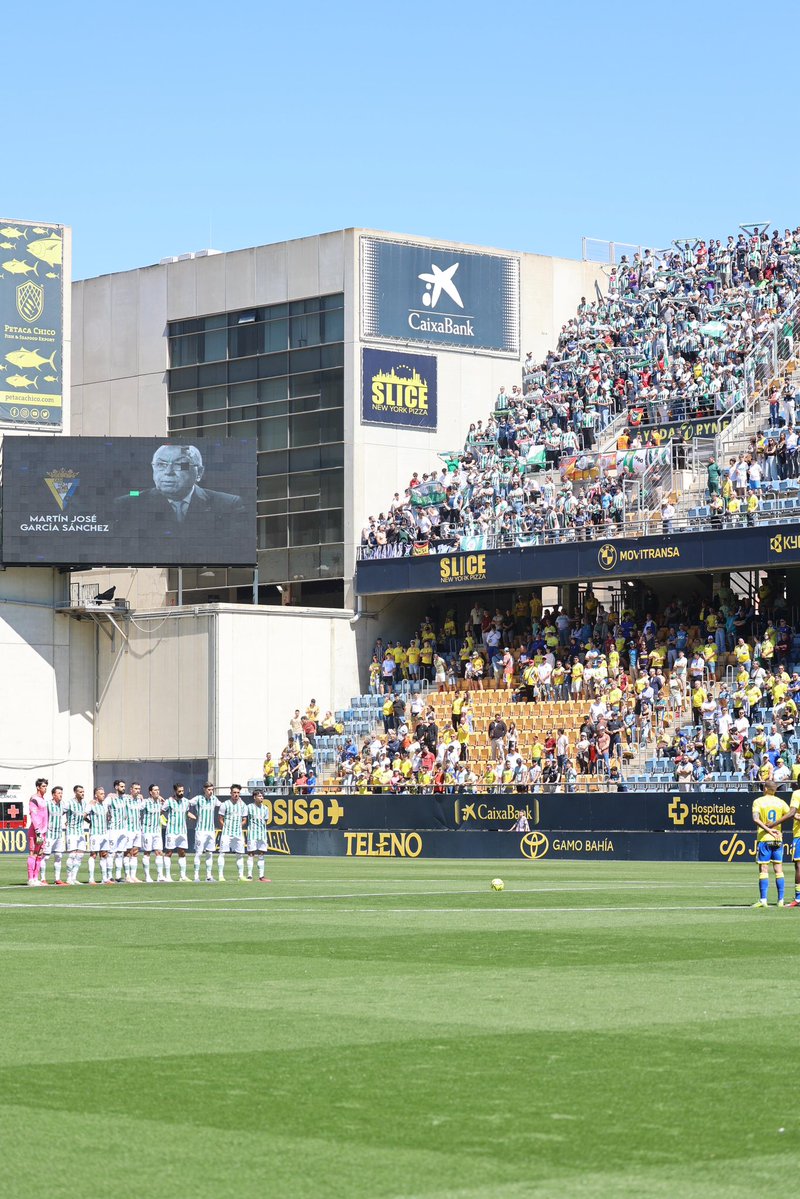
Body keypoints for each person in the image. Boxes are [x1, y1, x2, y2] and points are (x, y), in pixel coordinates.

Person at [114, 443, 245, 533]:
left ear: (199, 472)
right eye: (161, 464)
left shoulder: (228, 504)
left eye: (180, 465)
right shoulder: (128, 504)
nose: (168, 472)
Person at [751, 783, 790, 908]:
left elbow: (756, 819)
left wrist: (768, 829)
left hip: (764, 839)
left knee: (764, 869)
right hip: (778, 839)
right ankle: (781, 900)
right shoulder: (781, 802)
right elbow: (790, 815)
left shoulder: (758, 801)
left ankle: (763, 900)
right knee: (779, 870)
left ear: (766, 789)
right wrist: (776, 827)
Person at [217, 785, 248, 882]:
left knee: (240, 854)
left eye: (238, 793)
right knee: (222, 853)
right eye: (234, 792)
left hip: (238, 833)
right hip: (227, 833)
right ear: (230, 793)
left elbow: (244, 820)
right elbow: (220, 818)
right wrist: (225, 827)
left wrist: (239, 826)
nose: (236, 794)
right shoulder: (225, 804)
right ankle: (221, 875)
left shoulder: (243, 805)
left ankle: (241, 875)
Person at [190, 782, 219, 883]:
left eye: (212, 790)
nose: (211, 792)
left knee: (209, 853)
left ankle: (209, 876)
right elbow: (186, 803)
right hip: (200, 830)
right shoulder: (198, 798)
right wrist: (190, 815)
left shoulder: (214, 799)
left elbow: (224, 806)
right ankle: (196, 876)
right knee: (198, 853)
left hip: (210, 830)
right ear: (204, 790)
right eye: (209, 790)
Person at [162, 783, 191, 881]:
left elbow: (186, 813)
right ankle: (167, 876)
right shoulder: (169, 801)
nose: (181, 793)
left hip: (182, 831)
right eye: (179, 791)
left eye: (182, 791)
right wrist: (162, 821)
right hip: (171, 831)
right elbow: (161, 812)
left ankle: (183, 876)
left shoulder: (186, 802)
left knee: (182, 852)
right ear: (175, 791)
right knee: (169, 852)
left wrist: (191, 817)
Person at [63, 784, 87, 886]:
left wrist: (89, 821)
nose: (82, 793)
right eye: (80, 792)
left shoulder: (84, 803)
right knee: (72, 855)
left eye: (83, 791)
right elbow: (61, 812)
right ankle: (68, 878)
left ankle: (74, 877)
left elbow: (84, 815)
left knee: (80, 855)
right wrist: (66, 822)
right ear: (75, 792)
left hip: (80, 832)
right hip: (72, 832)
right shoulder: (69, 803)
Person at [41, 785, 66, 886]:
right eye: (59, 793)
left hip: (59, 834)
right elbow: (41, 816)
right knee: (45, 857)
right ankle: (43, 879)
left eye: (61, 793)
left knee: (58, 856)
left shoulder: (63, 805)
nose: (61, 795)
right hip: (49, 834)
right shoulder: (47, 804)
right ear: (53, 795)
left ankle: (57, 879)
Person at [140, 784, 165, 883]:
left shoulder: (159, 803)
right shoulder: (145, 802)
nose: (157, 792)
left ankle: (160, 875)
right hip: (147, 831)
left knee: (159, 852)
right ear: (150, 792)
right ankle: (147, 876)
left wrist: (163, 800)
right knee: (147, 853)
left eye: (158, 790)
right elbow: (138, 810)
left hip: (157, 831)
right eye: (155, 790)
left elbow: (162, 812)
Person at [86, 786, 111, 884]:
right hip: (95, 834)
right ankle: (91, 878)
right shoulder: (91, 804)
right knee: (93, 855)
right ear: (96, 795)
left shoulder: (104, 805)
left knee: (104, 855)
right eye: (101, 794)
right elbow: (84, 815)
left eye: (103, 793)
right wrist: (89, 821)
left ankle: (104, 878)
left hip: (104, 833)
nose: (103, 795)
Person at [245, 789, 271, 882]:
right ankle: (249, 875)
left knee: (261, 854)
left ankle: (261, 876)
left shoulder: (265, 808)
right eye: (259, 796)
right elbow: (245, 818)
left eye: (262, 796)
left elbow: (265, 821)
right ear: (254, 797)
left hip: (262, 834)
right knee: (251, 853)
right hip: (252, 834)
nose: (261, 798)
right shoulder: (249, 807)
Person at [27, 777, 49, 886]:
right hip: (36, 831)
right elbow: (34, 816)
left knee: (40, 854)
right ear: (38, 787)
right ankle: (31, 879)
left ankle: (36, 878)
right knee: (33, 854)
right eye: (43, 786)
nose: (45, 788)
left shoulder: (43, 799)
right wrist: (38, 831)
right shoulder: (34, 799)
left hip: (43, 831)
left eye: (46, 786)